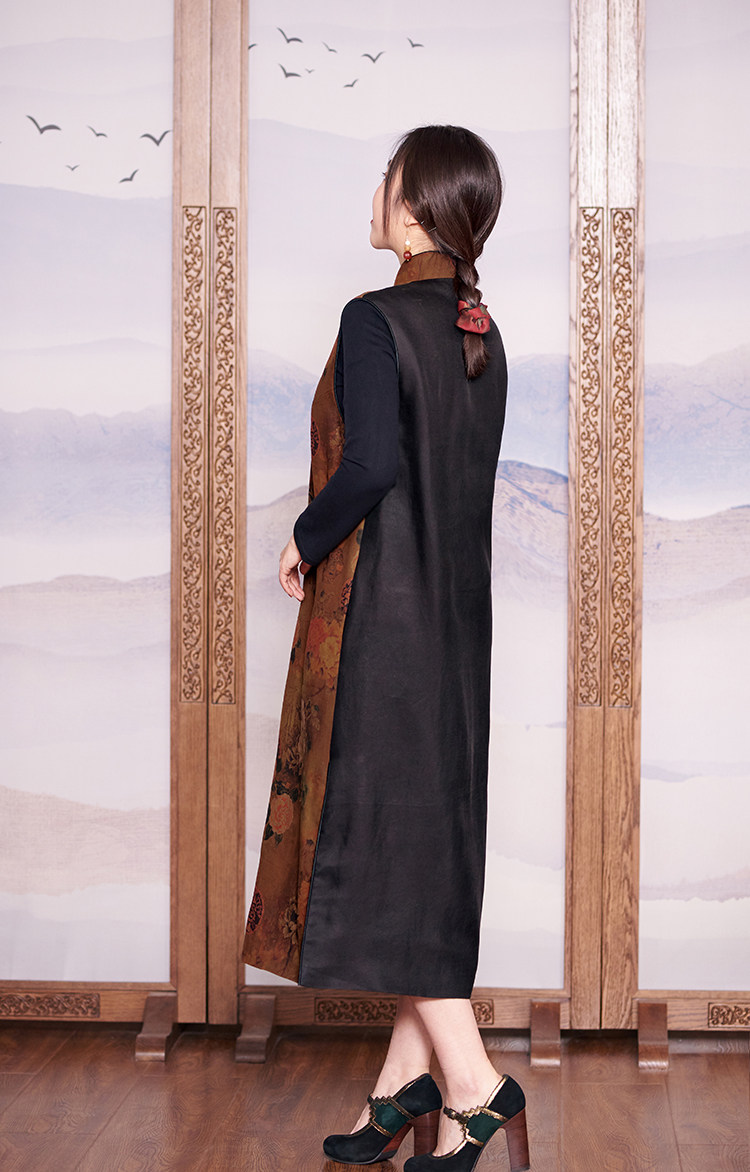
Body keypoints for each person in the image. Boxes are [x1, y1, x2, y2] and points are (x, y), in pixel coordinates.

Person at [242, 124, 529, 1172]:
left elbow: (368, 469)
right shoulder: (483, 333)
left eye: (386, 177)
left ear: (412, 205)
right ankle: (401, 1088)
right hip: (458, 633)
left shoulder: (374, 318)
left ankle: (475, 1086)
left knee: (388, 859)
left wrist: (303, 536)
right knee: (424, 854)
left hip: (384, 633)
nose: (375, 191)